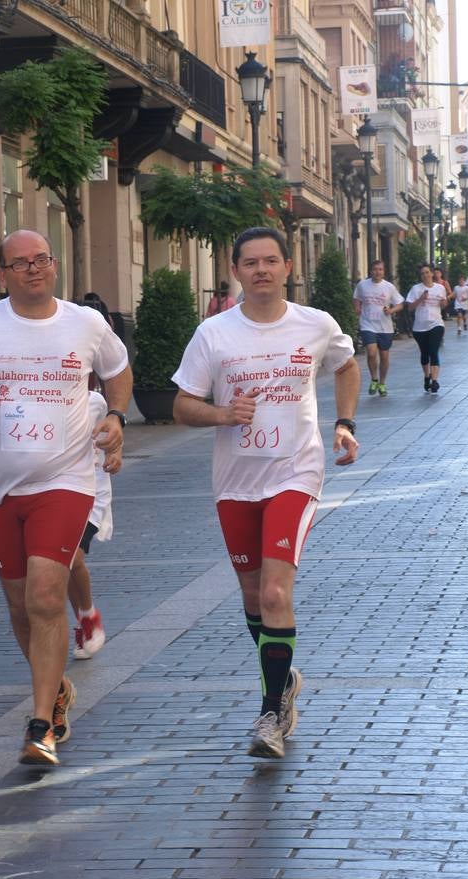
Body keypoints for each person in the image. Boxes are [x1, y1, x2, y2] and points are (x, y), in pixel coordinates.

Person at [0, 229, 133, 768]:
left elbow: (118, 371)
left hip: (63, 481)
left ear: (54, 265)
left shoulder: (85, 323)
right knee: (19, 603)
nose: (34, 270)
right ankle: (56, 686)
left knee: (43, 596)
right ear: (3, 275)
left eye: (42, 260)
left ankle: (41, 726)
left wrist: (115, 415)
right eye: (21, 263)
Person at [171, 226, 360, 760]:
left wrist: (344, 422)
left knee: (277, 593)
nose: (261, 271)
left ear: (287, 267)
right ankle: (284, 677)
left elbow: (346, 366)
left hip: (295, 473)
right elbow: (182, 405)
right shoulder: (214, 334)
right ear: (235, 270)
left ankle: (272, 711)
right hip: (235, 481)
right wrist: (222, 413)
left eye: (271, 261)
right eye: (250, 263)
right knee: (254, 597)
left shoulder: (316, 324)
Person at [69, 390, 113, 660]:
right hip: (59, 490)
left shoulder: (95, 402)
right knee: (60, 563)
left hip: (92, 491)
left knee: (72, 556)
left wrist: (115, 454)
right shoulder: (44, 397)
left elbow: (111, 436)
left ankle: (89, 614)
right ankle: (82, 621)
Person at [352, 259, 404, 397]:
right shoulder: (363, 285)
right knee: (371, 352)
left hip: (385, 327)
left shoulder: (389, 287)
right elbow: (356, 297)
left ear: (383, 271)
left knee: (384, 357)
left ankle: (382, 383)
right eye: (375, 269)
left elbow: (400, 303)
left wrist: (391, 311)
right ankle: (374, 379)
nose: (377, 272)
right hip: (367, 324)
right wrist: (357, 307)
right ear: (371, 271)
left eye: (380, 269)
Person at [406, 264, 447, 394]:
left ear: (432, 274)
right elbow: (410, 308)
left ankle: (435, 381)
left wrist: (443, 302)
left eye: (427, 272)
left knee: (433, 351)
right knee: (424, 353)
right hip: (420, 327)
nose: (425, 275)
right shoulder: (416, 289)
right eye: (423, 273)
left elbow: (444, 304)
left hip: (436, 324)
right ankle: (427, 376)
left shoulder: (440, 288)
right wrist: (421, 299)